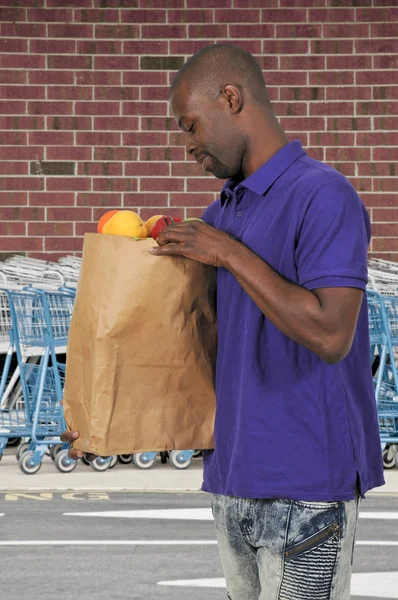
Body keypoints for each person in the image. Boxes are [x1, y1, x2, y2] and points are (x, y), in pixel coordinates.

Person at [62, 44, 385, 599]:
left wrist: (229, 253)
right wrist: (104, 421)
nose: (188, 146)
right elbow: (190, 351)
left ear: (231, 98)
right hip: (233, 479)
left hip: (307, 487)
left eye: (190, 127)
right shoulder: (224, 211)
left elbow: (332, 335)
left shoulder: (324, 195)